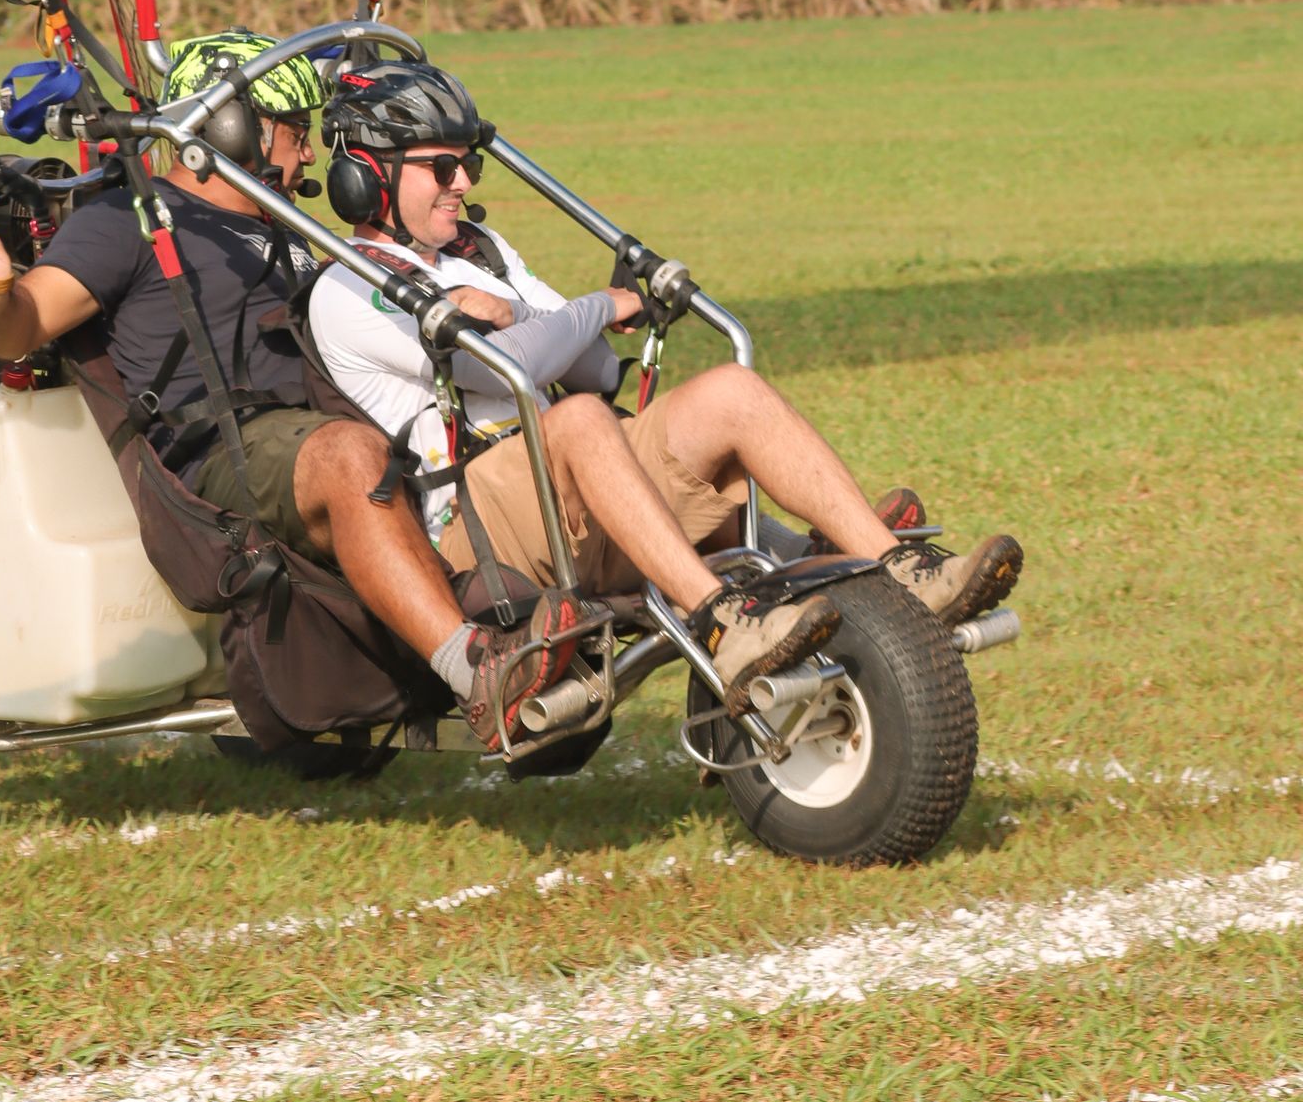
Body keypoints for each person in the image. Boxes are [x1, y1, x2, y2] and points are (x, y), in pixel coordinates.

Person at [307, 60, 1023, 712]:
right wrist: (587, 311)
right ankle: (722, 622)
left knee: (728, 392)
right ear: (367, 177)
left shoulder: (485, 255)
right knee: (585, 419)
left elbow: (583, 362)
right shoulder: (350, 286)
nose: (462, 184)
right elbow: (506, 368)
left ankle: (897, 569)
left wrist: (521, 315)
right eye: (440, 168)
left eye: (467, 165)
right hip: (473, 528)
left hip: (569, 487)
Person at [0, 32, 587, 752]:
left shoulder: (285, 230)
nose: (309, 154)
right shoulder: (127, 220)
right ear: (226, 129)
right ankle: (473, 672)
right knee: (350, 454)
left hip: (319, 436)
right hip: (228, 458)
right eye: (295, 132)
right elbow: (21, 324)